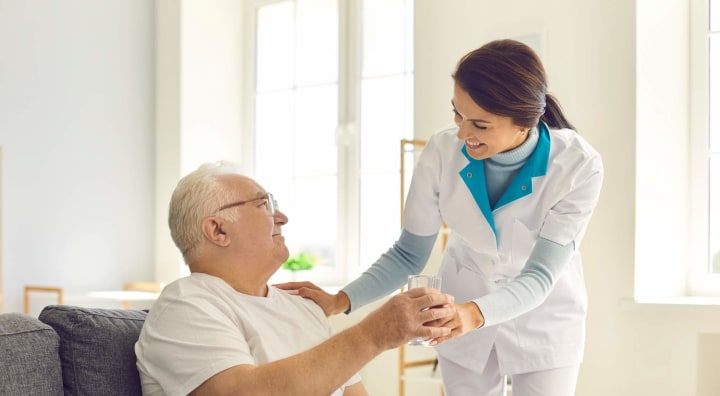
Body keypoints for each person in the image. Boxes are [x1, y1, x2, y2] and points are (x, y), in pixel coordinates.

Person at [278, 39, 604, 396]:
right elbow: (408, 253)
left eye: (480, 124)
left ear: (525, 122)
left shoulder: (577, 165)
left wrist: (472, 314)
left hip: (543, 318)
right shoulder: (442, 150)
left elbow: (540, 275)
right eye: (457, 114)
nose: (463, 134)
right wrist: (339, 301)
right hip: (460, 305)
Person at [134, 161, 456, 396]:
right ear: (218, 230)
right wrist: (374, 334)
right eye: (264, 204)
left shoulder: (301, 307)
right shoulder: (187, 304)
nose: (282, 217)